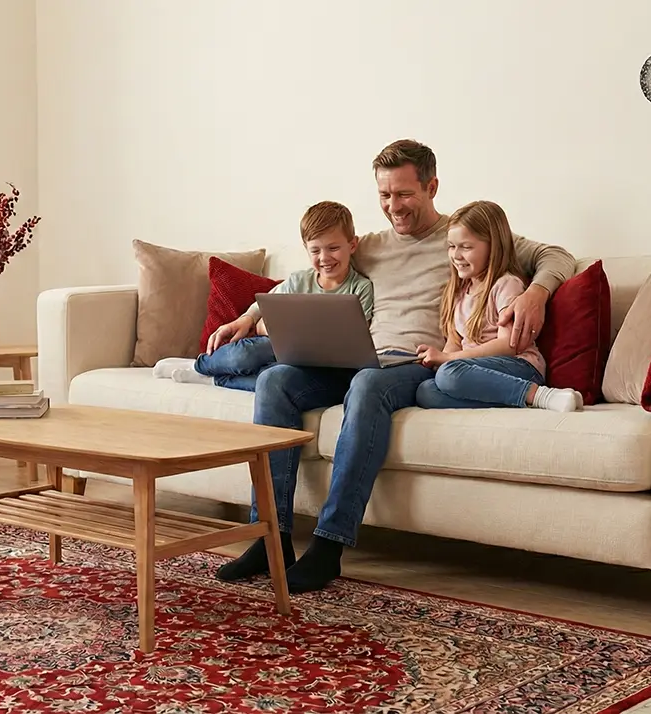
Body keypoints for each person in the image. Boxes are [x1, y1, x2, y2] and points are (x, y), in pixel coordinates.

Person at [208, 139, 577, 593]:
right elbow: (303, 276)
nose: (393, 207)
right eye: (384, 195)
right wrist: (248, 318)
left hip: (417, 365)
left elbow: (556, 256)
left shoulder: (460, 238)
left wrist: (536, 294)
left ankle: (328, 546)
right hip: (358, 359)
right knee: (275, 380)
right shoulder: (372, 246)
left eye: (403, 194)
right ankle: (269, 537)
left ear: (432, 186)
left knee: (367, 385)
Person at [153, 201, 374, 392]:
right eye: (315, 251)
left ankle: (214, 379)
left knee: (271, 378)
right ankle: (200, 366)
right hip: (282, 350)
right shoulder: (299, 281)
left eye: (333, 248)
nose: (324, 258)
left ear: (352, 245)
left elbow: (355, 341)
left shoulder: (361, 288)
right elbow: (264, 304)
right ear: (306, 249)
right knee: (248, 352)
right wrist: (247, 319)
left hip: (320, 368)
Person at [414, 200, 583, 412]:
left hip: (519, 365)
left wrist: (448, 360)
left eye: (466, 247)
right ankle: (515, 396)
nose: (456, 255)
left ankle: (539, 394)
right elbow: (455, 344)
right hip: (477, 369)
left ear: (493, 247)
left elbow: (508, 345)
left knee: (450, 373)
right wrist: (438, 359)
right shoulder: (457, 292)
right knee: (426, 391)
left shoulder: (505, 284)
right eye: (451, 246)